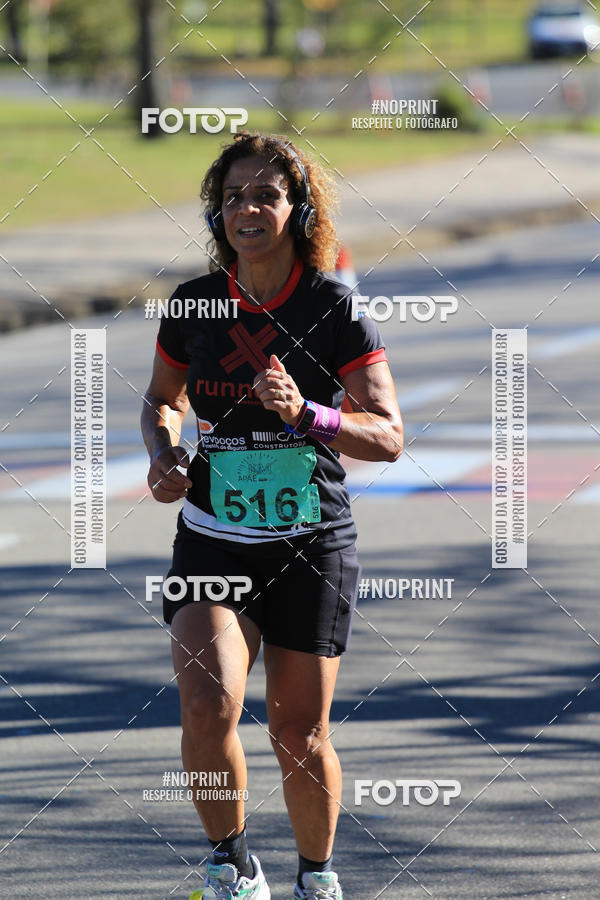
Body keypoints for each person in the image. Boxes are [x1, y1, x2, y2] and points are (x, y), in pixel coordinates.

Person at [141, 131, 403, 900]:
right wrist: (165, 453)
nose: (247, 209)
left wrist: (310, 414)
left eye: (266, 195)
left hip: (309, 546)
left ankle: (317, 876)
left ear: (299, 208)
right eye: (232, 197)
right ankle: (232, 865)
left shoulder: (332, 306)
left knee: (298, 733)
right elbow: (163, 399)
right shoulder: (193, 303)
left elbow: (387, 434)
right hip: (213, 542)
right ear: (216, 213)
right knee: (206, 700)